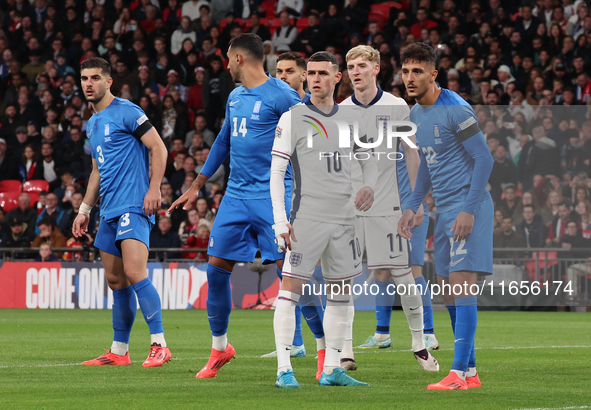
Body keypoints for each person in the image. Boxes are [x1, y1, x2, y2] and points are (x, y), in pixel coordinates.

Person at [169, 34, 301, 379]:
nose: (226, 65)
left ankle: (320, 353)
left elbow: (307, 144)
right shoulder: (234, 96)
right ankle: (219, 347)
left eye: (228, 59)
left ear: (239, 59)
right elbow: (224, 140)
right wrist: (197, 185)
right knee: (215, 270)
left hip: (273, 196)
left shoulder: (284, 96)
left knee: (291, 275)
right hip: (236, 196)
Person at [270, 51, 378, 388]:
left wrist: (369, 187)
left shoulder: (350, 119)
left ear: (336, 78)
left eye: (322, 73)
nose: (315, 79)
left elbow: (370, 161)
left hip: (345, 221)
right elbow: (276, 172)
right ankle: (284, 370)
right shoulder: (293, 117)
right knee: (290, 291)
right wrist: (279, 220)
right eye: (311, 73)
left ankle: (332, 368)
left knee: (342, 295)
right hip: (307, 218)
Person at [399, 43, 494, 390]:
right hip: (443, 209)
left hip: (470, 204)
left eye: (417, 71)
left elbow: (485, 159)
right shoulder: (414, 115)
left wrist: (468, 209)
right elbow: (425, 162)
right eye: (406, 71)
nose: (410, 78)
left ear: (433, 74)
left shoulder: (456, 109)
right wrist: (412, 203)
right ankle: (469, 373)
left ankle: (456, 373)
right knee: (446, 291)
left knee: (462, 285)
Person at [340, 46, 439, 370]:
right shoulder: (340, 110)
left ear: (376, 69)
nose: (356, 71)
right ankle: (344, 351)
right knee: (342, 281)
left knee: (404, 276)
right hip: (349, 210)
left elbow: (412, 153)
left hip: (387, 207)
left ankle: (419, 343)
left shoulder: (396, 107)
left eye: (362, 66)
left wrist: (417, 199)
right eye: (351, 66)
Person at [73, 57, 171, 367]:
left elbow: (158, 147)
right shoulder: (93, 122)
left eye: (95, 78)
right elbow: (96, 171)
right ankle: (119, 351)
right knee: (116, 281)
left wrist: (154, 188)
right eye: (84, 78)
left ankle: (160, 344)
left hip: (134, 204)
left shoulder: (127, 111)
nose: (89, 83)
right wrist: (85, 209)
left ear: (108, 81)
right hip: (109, 209)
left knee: (134, 272)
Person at [260, 51, 325, 360]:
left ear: (304, 75)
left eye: (289, 71)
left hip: (308, 200)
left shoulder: (312, 111)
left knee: (305, 274)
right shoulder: (280, 110)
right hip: (277, 194)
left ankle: (329, 343)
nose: (281, 76)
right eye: (278, 71)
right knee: (286, 270)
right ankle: (298, 343)